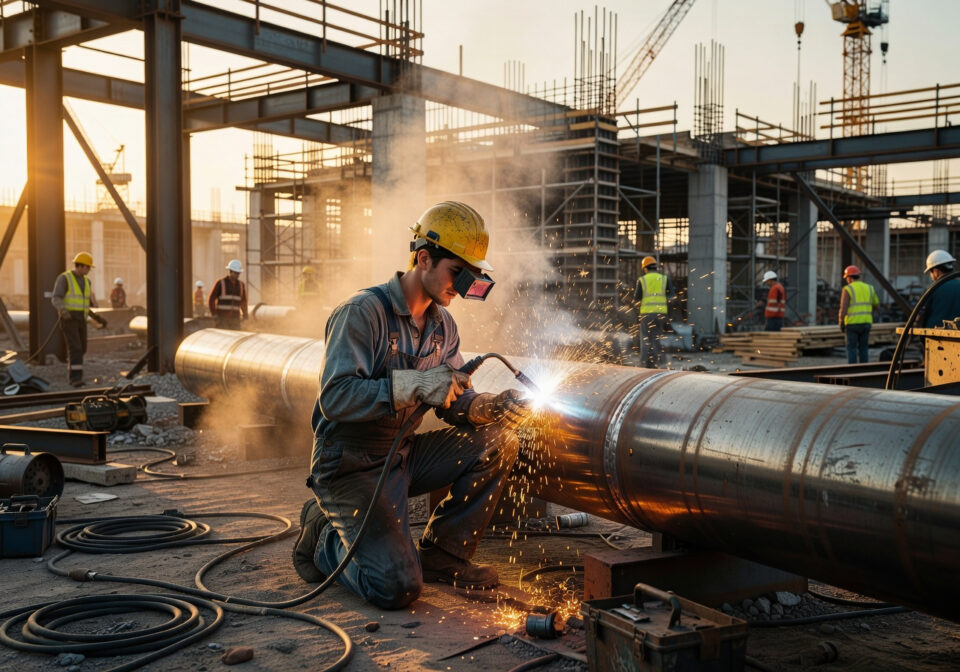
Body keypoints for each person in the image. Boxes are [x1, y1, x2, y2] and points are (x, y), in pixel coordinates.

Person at [292, 201, 531, 609]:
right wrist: (417, 384)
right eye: (457, 271)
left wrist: (488, 406)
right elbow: (335, 398)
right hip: (349, 464)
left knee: (499, 440)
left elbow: (453, 399)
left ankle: (444, 556)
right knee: (397, 587)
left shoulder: (443, 327)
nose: (462, 284)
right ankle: (325, 538)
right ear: (424, 258)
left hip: (401, 455)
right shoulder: (362, 314)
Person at [50, 252, 106, 387]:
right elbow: (56, 298)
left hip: (81, 319)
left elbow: (85, 304)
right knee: (75, 348)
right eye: (87, 268)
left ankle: (75, 372)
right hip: (69, 319)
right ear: (80, 266)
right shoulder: (65, 278)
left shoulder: (87, 282)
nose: (88, 270)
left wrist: (97, 318)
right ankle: (75, 378)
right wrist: (63, 311)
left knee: (82, 348)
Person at [633, 256, 673, 368]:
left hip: (646, 314)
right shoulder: (665, 278)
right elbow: (671, 296)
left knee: (645, 338)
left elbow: (636, 299)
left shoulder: (642, 280)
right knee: (656, 338)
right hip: (661, 314)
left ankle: (645, 364)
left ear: (645, 268)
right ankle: (658, 363)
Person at [838, 264, 878, 364]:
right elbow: (876, 305)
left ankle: (853, 371)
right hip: (866, 323)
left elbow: (843, 309)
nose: (846, 280)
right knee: (864, 348)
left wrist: (841, 322)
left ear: (850, 278)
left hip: (852, 324)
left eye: (846, 277)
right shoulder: (870, 288)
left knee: (852, 348)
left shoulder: (848, 289)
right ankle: (864, 371)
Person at [920, 250, 960, 329]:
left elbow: (923, 315)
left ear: (936, 271)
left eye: (930, 273)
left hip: (935, 337)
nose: (931, 276)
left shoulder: (933, 289)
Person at [208, 260, 248, 329]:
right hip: (222, 319)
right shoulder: (221, 283)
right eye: (235, 273)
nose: (237, 275)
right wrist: (214, 314)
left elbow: (243, 301)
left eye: (238, 273)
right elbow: (211, 299)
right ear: (230, 271)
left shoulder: (241, 285)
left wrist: (245, 313)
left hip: (235, 319)